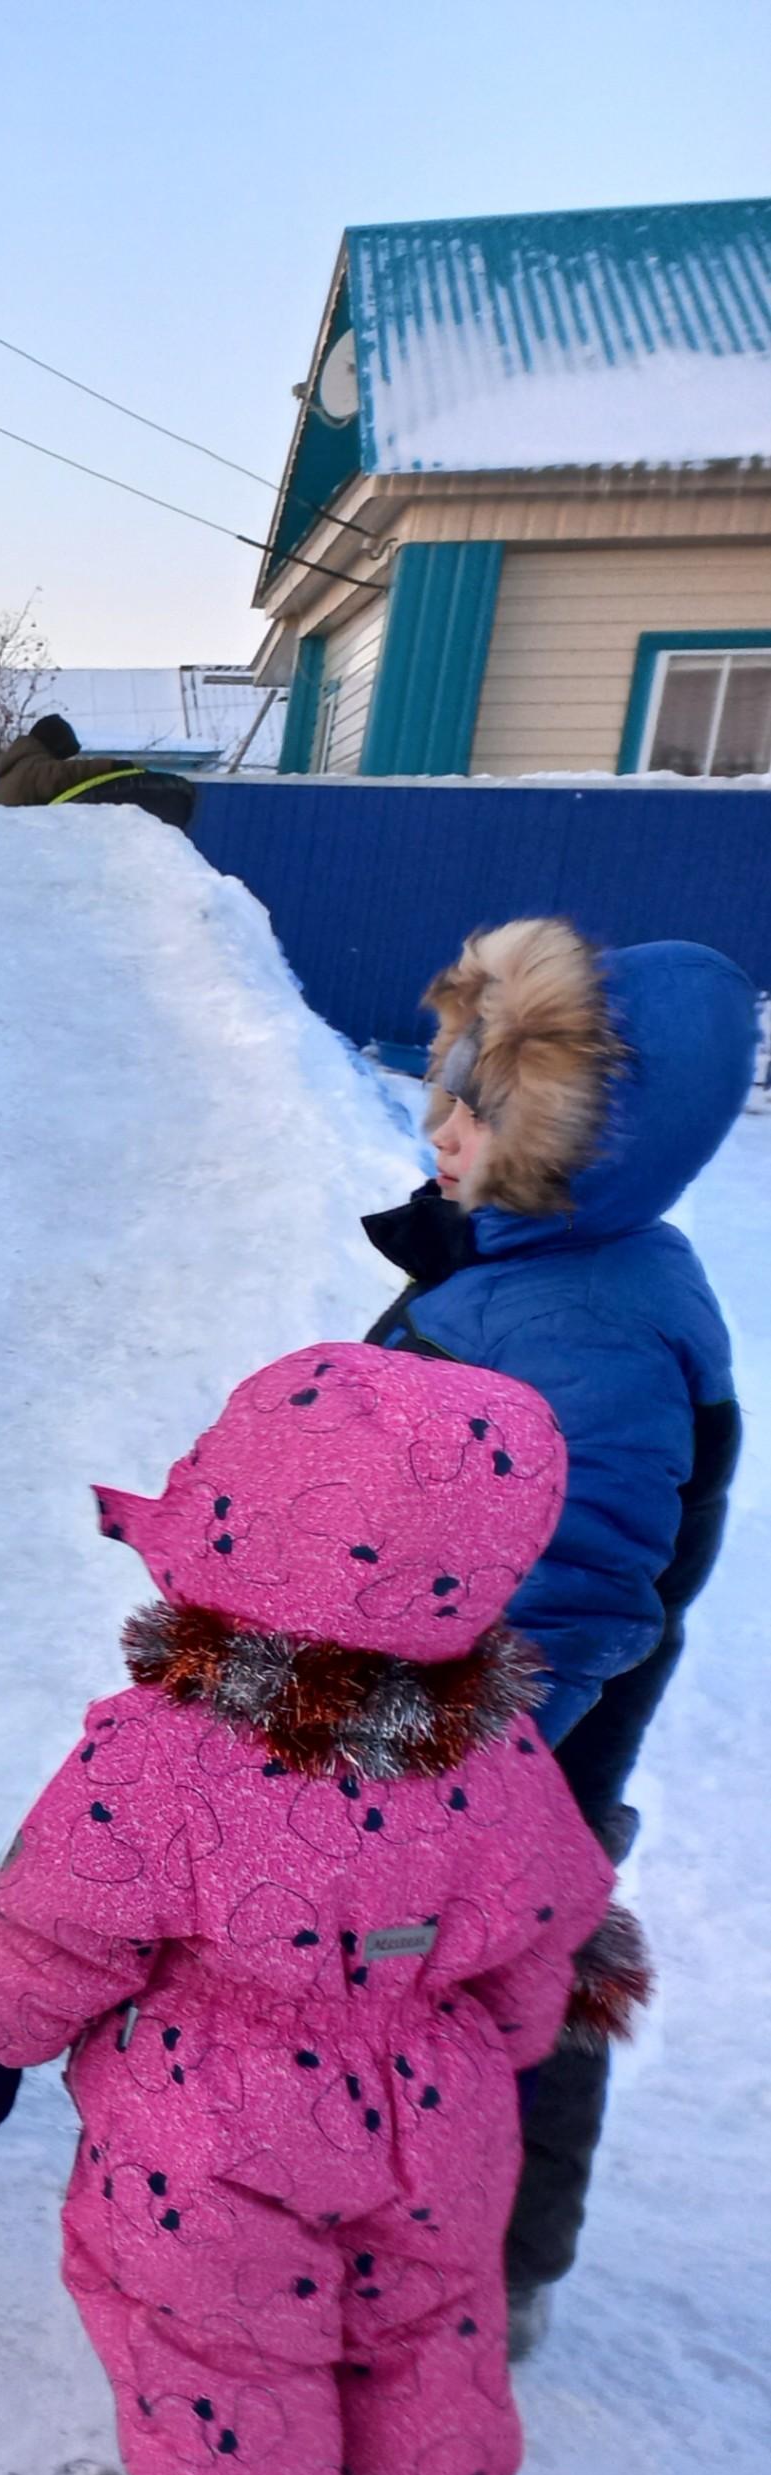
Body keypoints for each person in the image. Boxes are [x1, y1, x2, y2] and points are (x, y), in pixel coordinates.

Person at [0, 1343, 633, 2475]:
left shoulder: (163, 1753)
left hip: (212, 2122)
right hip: (439, 2108)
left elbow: (61, 1924)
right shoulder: (499, 1746)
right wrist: (501, 2042)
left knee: (222, 2343)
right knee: (428, 2322)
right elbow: (548, 1920)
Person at [359, 919, 752, 2349]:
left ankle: (493, 2263)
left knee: (516, 1954)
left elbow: (582, 1585)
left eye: (479, 1107)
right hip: (452, 1688)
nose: (438, 1122)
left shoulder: (590, 1321)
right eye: (447, 1086)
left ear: (581, 1151)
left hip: (522, 1720)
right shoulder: (528, 1258)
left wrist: (452, 1744)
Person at [0, 712, 200, 829]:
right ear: (52, 745)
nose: (64, 761)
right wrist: (112, 766)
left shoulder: (19, 766)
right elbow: (66, 774)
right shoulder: (32, 768)